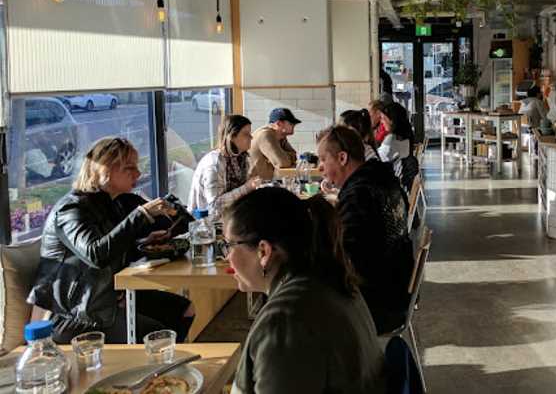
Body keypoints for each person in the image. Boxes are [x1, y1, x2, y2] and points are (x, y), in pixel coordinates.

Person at [28, 137, 195, 343]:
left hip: (106, 297)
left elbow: (114, 249)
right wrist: (141, 214)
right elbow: (96, 255)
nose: (138, 173)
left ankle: (161, 368)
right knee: (159, 336)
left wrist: (143, 243)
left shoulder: (112, 203)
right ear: (104, 170)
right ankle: (156, 367)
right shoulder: (71, 209)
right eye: (129, 168)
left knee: (184, 310)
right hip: (73, 314)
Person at [224, 188, 386, 394]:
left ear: (263, 251)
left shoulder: (285, 322)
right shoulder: (332, 278)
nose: (227, 257)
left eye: (229, 245)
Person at [316, 126, 414, 334]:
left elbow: (347, 257)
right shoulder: (383, 179)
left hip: (376, 305)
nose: (320, 168)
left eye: (323, 160)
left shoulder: (359, 195)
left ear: (342, 158)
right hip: (396, 288)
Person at [188, 115, 261, 218]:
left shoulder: (241, 158)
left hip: (232, 217)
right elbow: (214, 207)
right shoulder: (214, 163)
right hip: (205, 224)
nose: (251, 137)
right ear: (231, 137)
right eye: (246, 134)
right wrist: (247, 187)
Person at [248, 108, 301, 181]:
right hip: (253, 186)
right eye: (291, 123)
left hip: (264, 182)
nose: (294, 125)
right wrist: (287, 156)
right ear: (279, 124)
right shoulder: (265, 135)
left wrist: (286, 156)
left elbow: (294, 156)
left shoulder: (281, 136)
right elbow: (283, 163)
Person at [377, 101, 414, 180]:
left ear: (392, 120)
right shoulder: (406, 136)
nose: (381, 122)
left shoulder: (391, 139)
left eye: (383, 118)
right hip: (401, 178)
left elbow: (377, 159)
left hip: (391, 181)